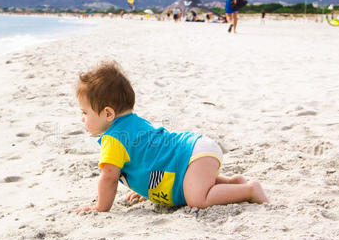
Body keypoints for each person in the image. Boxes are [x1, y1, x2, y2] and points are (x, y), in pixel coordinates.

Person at [75, 61, 269, 213]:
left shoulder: (113, 139)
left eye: (85, 113)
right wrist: (145, 187)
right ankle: (233, 183)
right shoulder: (136, 123)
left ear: (108, 114)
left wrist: (101, 207)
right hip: (194, 152)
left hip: (190, 156)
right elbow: (150, 157)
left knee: (198, 199)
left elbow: (109, 177)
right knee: (192, 186)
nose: (83, 118)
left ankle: (249, 190)